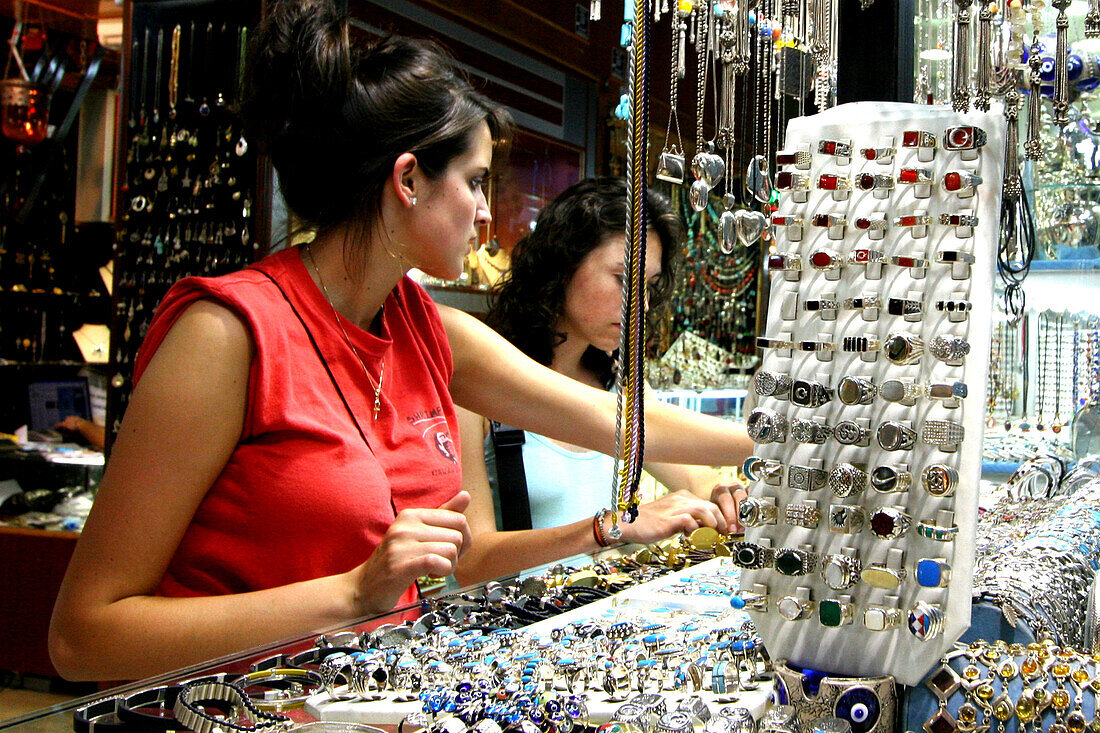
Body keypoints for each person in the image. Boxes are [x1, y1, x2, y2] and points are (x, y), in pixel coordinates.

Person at [49, 0, 751, 682]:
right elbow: (83, 636)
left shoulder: (426, 328)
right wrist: (351, 594)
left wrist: (799, 433)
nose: (485, 213)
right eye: (475, 182)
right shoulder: (228, 336)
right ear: (408, 179)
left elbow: (618, 424)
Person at [454, 178, 751, 585]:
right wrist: (608, 528)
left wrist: (721, 493)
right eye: (622, 278)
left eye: (646, 286)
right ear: (564, 265)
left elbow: (694, 476)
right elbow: (468, 562)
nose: (640, 305)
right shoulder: (476, 388)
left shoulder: (618, 381)